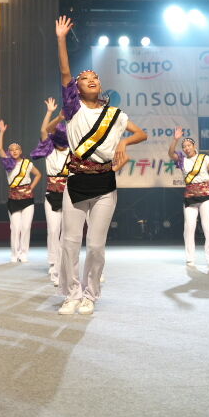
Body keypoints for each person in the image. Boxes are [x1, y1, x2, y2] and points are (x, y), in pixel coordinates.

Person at [54, 16, 146, 315]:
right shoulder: (73, 108)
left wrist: (123, 144)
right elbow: (65, 72)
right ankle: (71, 294)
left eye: (95, 77)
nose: (91, 79)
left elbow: (141, 134)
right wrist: (61, 38)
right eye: (85, 78)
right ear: (77, 88)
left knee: (95, 245)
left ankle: (90, 295)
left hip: (105, 183)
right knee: (69, 242)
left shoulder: (115, 114)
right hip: (76, 181)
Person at [169, 128, 209, 270]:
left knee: (207, 226)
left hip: (205, 195)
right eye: (184, 146)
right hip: (190, 195)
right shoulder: (182, 160)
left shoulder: (204, 158)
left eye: (189, 145)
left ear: (194, 146)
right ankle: (190, 257)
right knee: (189, 227)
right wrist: (175, 139)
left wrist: (207, 184)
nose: (186, 148)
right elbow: (170, 154)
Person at [0, 120, 45, 264]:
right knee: (15, 227)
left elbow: (38, 174)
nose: (14, 151)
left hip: (27, 198)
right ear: (9, 152)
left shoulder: (27, 163)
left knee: (26, 227)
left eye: (17, 149)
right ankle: (14, 253)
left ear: (21, 151)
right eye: (11, 150)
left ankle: (24, 253)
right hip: (13, 198)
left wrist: (31, 187)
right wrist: (1, 132)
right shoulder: (8, 163)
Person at [38, 98, 69, 287]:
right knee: (53, 230)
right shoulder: (49, 150)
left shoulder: (73, 152)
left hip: (69, 195)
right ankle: (53, 263)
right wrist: (54, 115)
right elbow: (44, 131)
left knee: (66, 233)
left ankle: (62, 265)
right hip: (51, 194)